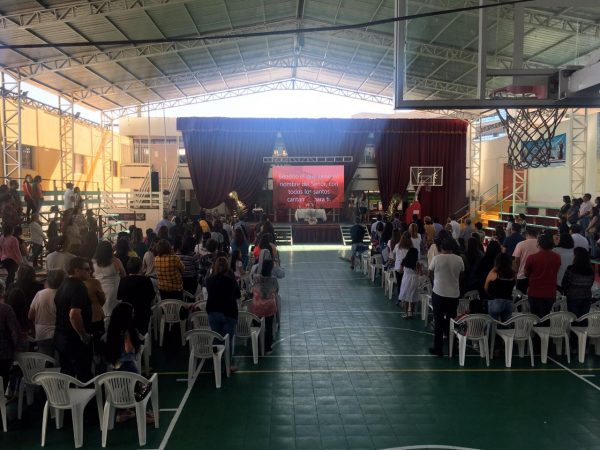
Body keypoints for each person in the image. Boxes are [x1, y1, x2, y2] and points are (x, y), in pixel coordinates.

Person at [53, 257, 94, 381]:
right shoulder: (79, 287)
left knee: (67, 374)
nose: (90, 271)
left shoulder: (63, 285)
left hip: (61, 336)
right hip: (74, 339)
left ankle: (68, 394)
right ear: (77, 270)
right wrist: (83, 335)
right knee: (84, 375)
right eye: (87, 269)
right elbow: (74, 314)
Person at [429, 238, 464, 357]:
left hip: (438, 292)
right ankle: (452, 348)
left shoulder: (437, 258)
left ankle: (438, 348)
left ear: (441, 247)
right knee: (451, 321)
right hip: (453, 294)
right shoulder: (459, 259)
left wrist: (435, 282)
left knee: (438, 321)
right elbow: (461, 275)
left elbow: (430, 272)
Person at [206, 256, 240, 370]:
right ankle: (228, 365)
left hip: (213, 312)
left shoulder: (209, 281)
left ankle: (216, 364)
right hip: (228, 312)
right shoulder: (231, 282)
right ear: (227, 268)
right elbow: (238, 295)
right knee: (227, 340)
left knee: (216, 339)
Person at [28, 269, 66, 356]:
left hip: (42, 333)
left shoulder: (40, 294)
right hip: (60, 333)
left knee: (45, 359)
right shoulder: (64, 294)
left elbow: (30, 315)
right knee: (62, 360)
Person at [524, 233, 561, 319]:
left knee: (535, 318)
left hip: (535, 291)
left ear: (539, 244)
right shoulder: (557, 257)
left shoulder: (532, 257)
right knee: (546, 316)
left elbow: (526, 273)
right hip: (550, 292)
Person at [117, 257, 156, 334]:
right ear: (140, 267)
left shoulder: (123, 281)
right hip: (143, 315)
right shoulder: (146, 280)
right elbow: (152, 297)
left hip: (128, 316)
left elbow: (119, 297)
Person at [93, 240, 125, 318]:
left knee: (102, 311)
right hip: (114, 289)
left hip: (99, 290)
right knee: (113, 312)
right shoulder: (115, 261)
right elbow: (124, 274)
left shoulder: (93, 262)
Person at [252, 259, 278, 353]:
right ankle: (267, 347)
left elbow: (253, 287)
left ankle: (257, 345)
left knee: (256, 326)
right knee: (268, 326)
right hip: (269, 307)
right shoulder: (273, 280)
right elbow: (276, 290)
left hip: (257, 307)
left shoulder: (255, 278)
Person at [561, 247, 594, 318]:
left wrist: (567, 292)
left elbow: (564, 283)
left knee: (573, 319)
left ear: (576, 257)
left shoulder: (571, 269)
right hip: (587, 297)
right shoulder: (591, 270)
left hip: (573, 297)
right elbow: (591, 284)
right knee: (583, 319)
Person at [484, 253, 516, 322]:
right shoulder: (513, 274)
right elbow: (514, 285)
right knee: (507, 324)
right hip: (508, 302)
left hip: (495, 301)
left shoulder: (493, 273)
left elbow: (486, 288)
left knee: (492, 324)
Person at [0, 282, 19, 388]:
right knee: (3, 378)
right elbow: (14, 331)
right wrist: (16, 347)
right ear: (2, 293)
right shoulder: (7, 309)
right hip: (4, 351)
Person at [396, 231, 419, 318]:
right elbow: (417, 264)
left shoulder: (399, 247)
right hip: (414, 276)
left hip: (406, 276)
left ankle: (406, 312)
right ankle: (411, 313)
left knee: (405, 295)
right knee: (413, 296)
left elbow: (401, 264)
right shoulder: (413, 250)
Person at [512, 228, 539, 294]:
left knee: (520, 296)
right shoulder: (540, 244)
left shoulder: (520, 244)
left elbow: (516, 260)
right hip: (537, 275)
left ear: (527, 234)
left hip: (522, 274)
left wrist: (517, 270)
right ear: (536, 235)